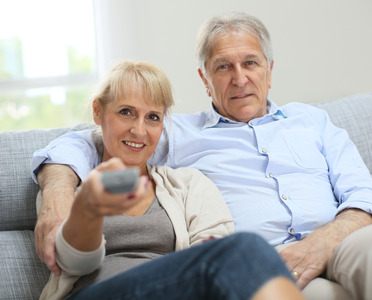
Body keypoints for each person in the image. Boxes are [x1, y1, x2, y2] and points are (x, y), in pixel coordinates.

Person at [32, 12, 372, 300]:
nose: (239, 78)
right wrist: (57, 190)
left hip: (339, 244)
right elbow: (98, 140)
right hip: (263, 265)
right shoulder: (176, 132)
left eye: (250, 63)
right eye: (223, 67)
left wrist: (322, 243)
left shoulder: (313, 122)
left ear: (269, 69)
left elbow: (367, 197)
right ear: (204, 79)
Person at [37, 60, 305, 300]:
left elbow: (214, 252)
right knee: (248, 247)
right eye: (126, 112)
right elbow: (72, 264)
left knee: (247, 253)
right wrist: (88, 209)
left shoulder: (188, 184)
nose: (139, 130)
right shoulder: (66, 187)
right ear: (98, 112)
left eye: (152, 117)